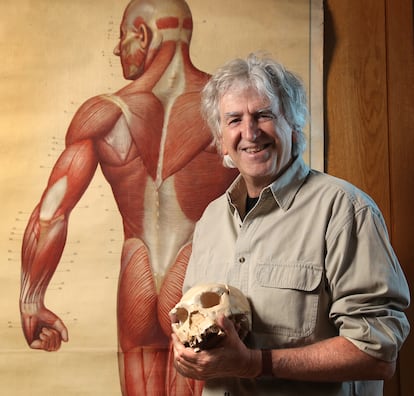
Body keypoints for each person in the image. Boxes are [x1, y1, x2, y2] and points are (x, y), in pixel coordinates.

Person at [19, 1, 237, 395]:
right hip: (193, 277)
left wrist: (31, 300)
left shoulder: (103, 115)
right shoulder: (229, 113)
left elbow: (51, 214)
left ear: (143, 35)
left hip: (136, 272)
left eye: (122, 37)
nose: (118, 49)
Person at [172, 53, 410, 395]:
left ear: (294, 127)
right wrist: (187, 357)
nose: (250, 132)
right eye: (234, 119)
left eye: (264, 115)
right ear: (221, 139)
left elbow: (377, 353)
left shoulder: (345, 211)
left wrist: (255, 364)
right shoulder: (210, 220)